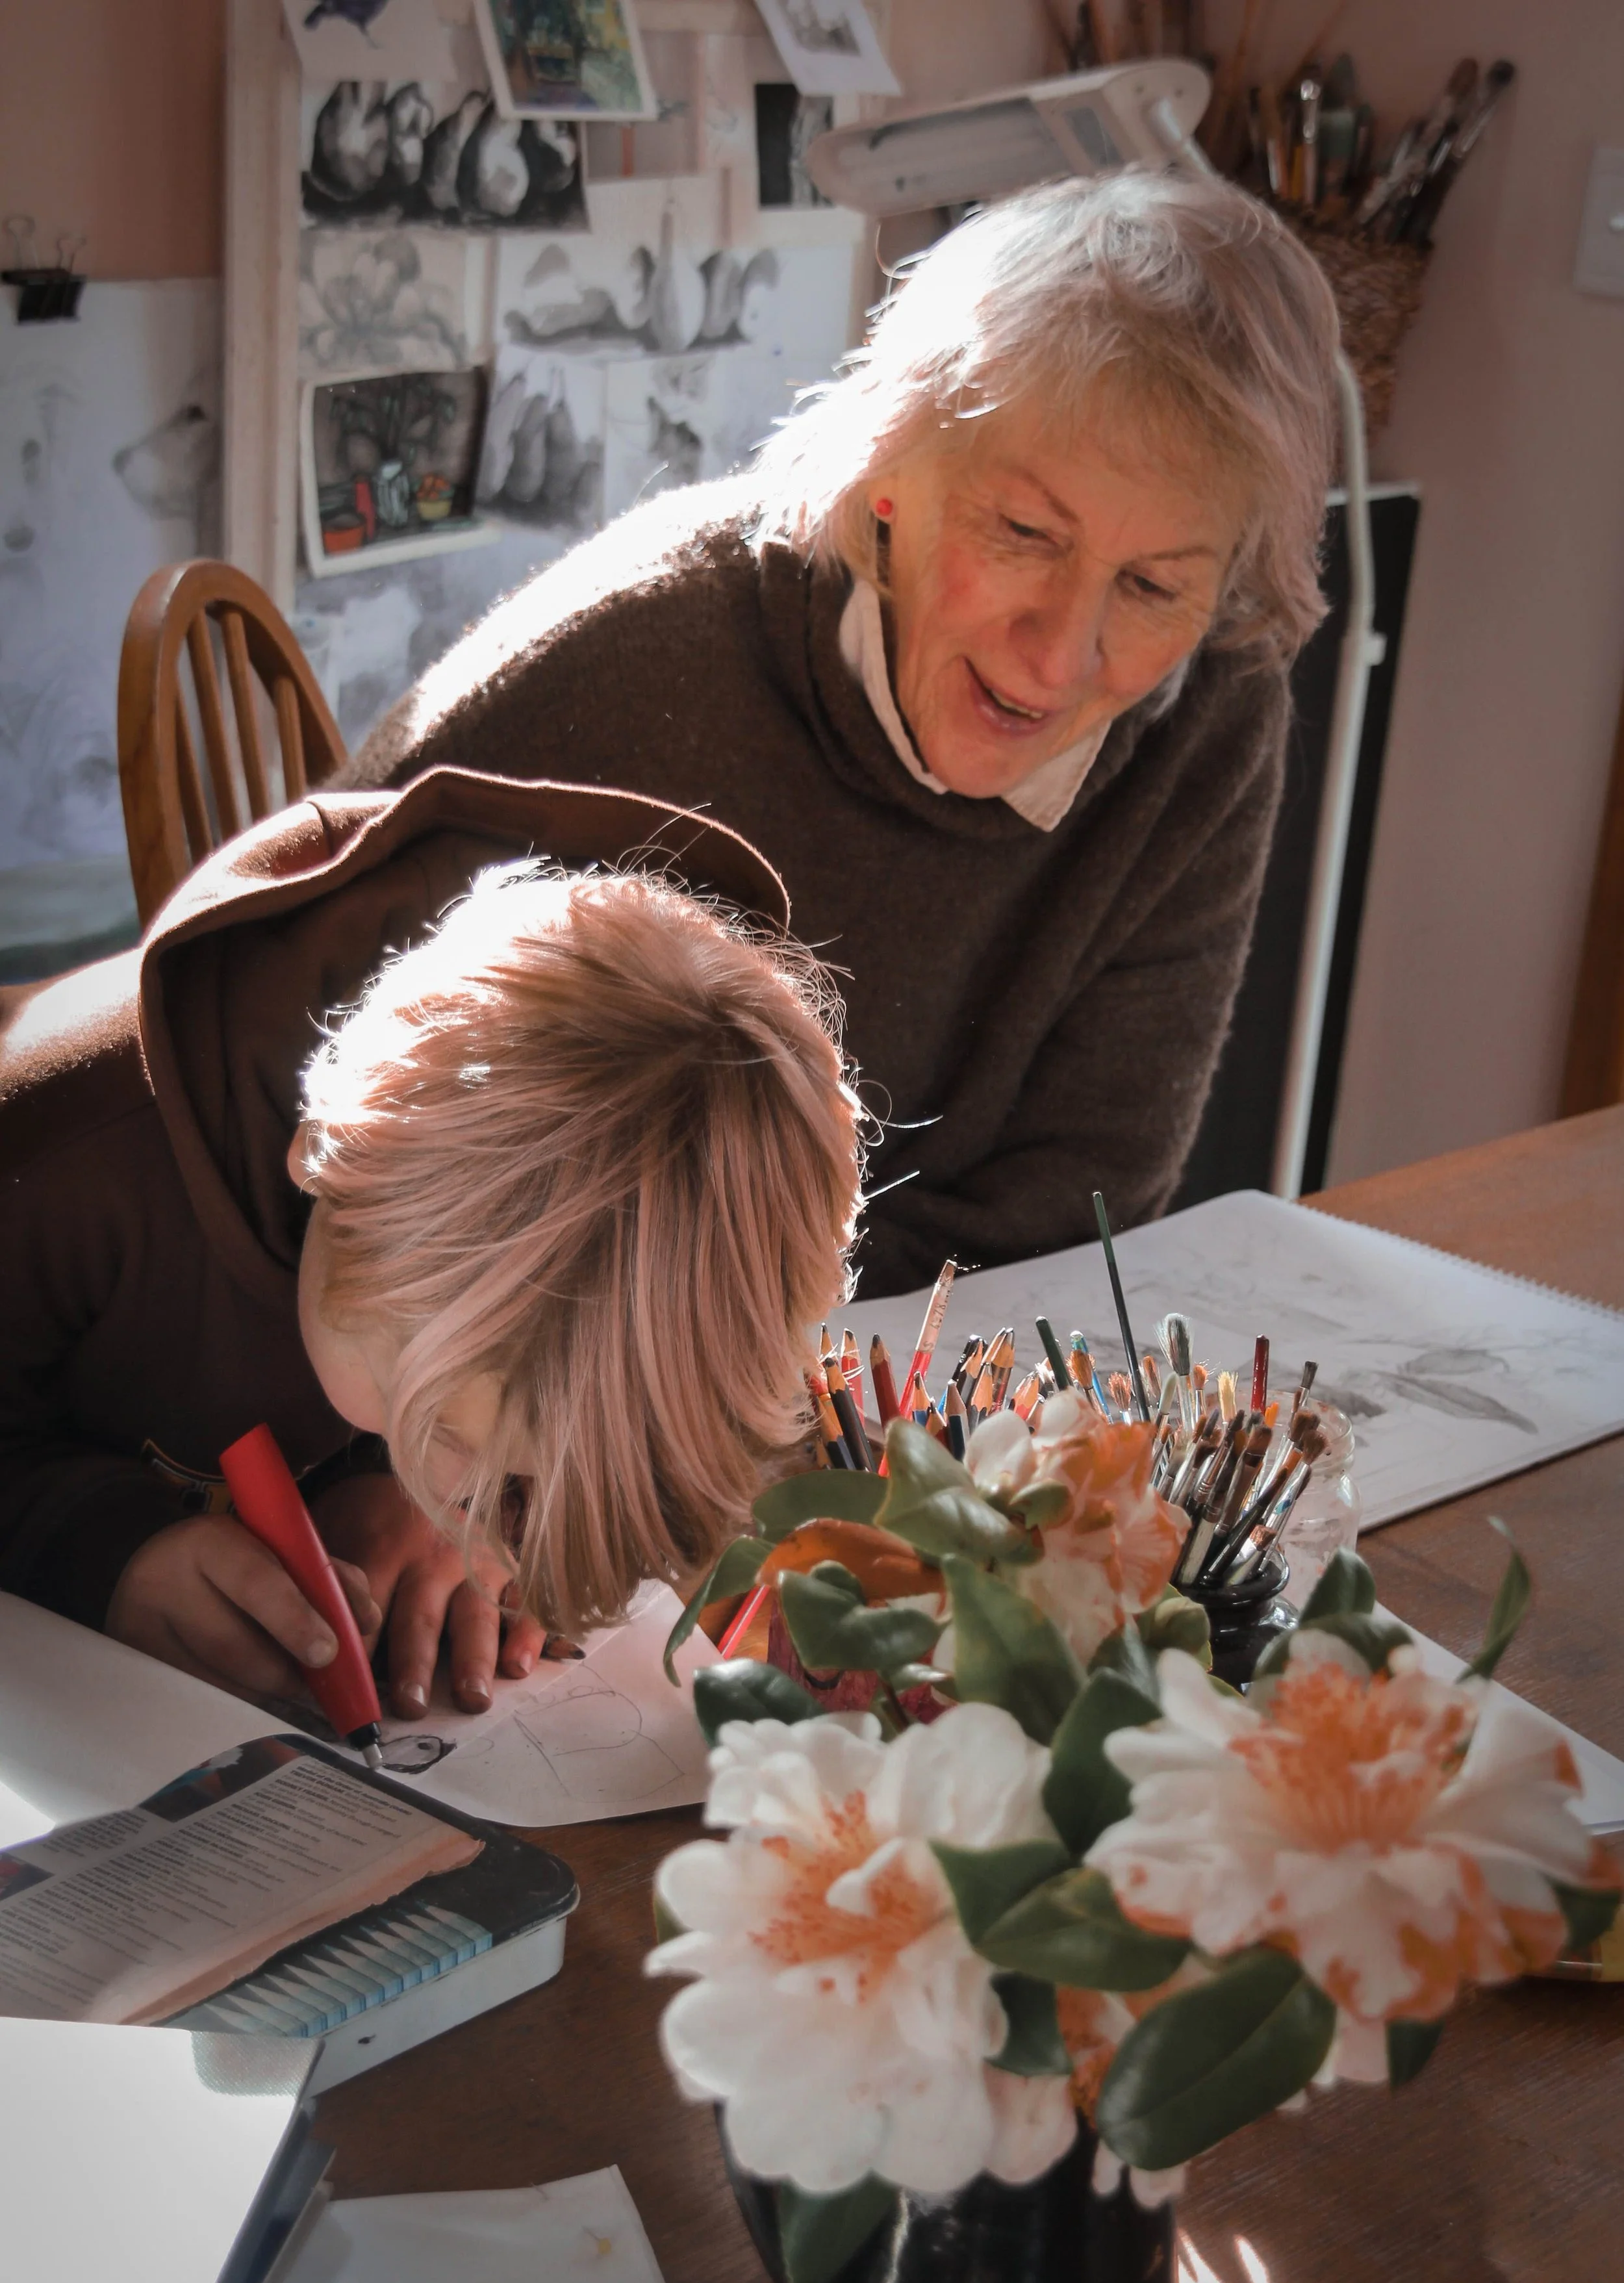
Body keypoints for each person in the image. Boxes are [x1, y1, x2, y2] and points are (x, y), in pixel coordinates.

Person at [342, 170, 1342, 1296]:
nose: (1062, 657)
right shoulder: (628, 657)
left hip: (889, 1377)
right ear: (889, 473)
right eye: (1023, 531)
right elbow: (294, 1051)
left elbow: (1075, 1207)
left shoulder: (1209, 712)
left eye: (1154, 587)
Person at [0, 769, 861, 1717]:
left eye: (516, 1487)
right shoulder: (69, 1159)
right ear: (324, 1158)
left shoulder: (653, 1109)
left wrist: (398, 1489)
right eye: (446, 1439)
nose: (494, 1554)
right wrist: (101, 1550)